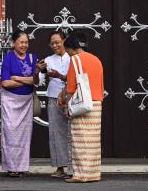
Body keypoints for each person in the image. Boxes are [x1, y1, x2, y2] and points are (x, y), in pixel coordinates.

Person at [63, 32, 104, 183]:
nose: (67, 54)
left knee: (80, 140)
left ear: (71, 48)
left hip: (81, 103)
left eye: (67, 51)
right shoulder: (96, 59)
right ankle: (93, 173)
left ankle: (81, 175)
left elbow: (71, 87)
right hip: (96, 103)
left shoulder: (75, 60)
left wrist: (68, 106)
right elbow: (100, 84)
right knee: (93, 142)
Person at [0, 30, 38, 177]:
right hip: (10, 101)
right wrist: (26, 80)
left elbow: (36, 81)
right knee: (10, 133)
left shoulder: (32, 58)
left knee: (24, 135)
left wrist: (17, 78)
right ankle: (12, 167)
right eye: (21, 42)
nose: (24, 45)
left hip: (26, 101)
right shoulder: (8, 58)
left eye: (26, 42)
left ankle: (21, 167)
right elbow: (6, 83)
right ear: (13, 43)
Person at [37, 31, 71, 178]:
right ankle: (60, 167)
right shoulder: (48, 60)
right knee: (56, 133)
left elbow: (76, 78)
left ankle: (73, 167)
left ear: (64, 41)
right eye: (52, 43)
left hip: (71, 98)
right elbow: (38, 81)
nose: (55, 45)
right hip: (53, 98)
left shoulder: (73, 58)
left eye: (58, 42)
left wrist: (59, 76)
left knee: (72, 133)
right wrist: (38, 70)